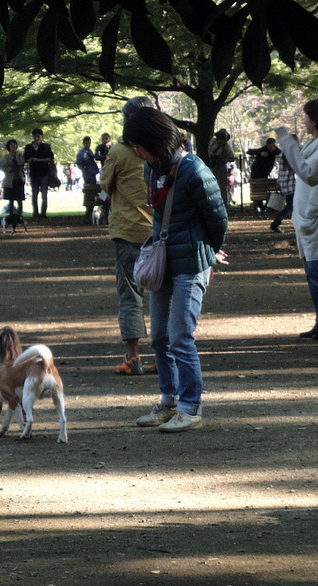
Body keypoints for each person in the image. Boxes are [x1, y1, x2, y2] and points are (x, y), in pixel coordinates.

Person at [124, 107, 228, 433]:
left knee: (181, 336)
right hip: (164, 263)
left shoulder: (195, 170)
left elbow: (218, 218)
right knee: (159, 337)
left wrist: (209, 252)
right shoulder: (151, 168)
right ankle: (168, 401)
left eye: (138, 145)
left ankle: (190, 406)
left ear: (154, 140)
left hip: (191, 264)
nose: (136, 151)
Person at [99, 97, 155, 376]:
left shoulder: (119, 152)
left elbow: (105, 185)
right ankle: (164, 357)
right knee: (163, 294)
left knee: (130, 294)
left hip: (128, 231)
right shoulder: (166, 148)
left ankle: (133, 358)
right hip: (160, 231)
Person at [276, 91, 318, 356]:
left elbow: (309, 174)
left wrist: (287, 144)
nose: (309, 122)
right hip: (312, 220)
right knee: (315, 274)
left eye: (311, 117)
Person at [23, 128, 54, 218]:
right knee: (34, 194)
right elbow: (25, 159)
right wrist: (31, 160)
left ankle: (43, 213)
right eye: (35, 136)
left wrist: (40, 160)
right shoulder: (28, 147)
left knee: (44, 194)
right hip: (34, 173)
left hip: (44, 173)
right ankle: (35, 212)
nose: (37, 138)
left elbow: (51, 159)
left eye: (38, 136)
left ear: (41, 136)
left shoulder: (46, 147)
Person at [270, 136, 298, 233]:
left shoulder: (284, 153)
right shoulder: (288, 154)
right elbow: (292, 167)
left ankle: (276, 223)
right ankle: (276, 223)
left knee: (291, 205)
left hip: (286, 183)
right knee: (291, 205)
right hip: (290, 183)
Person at [207, 129, 235, 206]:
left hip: (221, 166)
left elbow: (232, 157)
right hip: (213, 165)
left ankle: (224, 205)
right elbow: (209, 151)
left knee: (223, 188)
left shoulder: (226, 146)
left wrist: (222, 159)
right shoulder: (212, 142)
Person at [0, 139, 25, 215]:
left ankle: (19, 214)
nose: (13, 146)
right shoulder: (6, 157)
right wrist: (11, 168)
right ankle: (11, 215)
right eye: (11, 145)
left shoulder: (19, 154)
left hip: (19, 179)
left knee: (20, 199)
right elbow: (3, 166)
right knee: (11, 199)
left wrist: (15, 166)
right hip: (10, 180)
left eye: (15, 145)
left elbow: (21, 163)